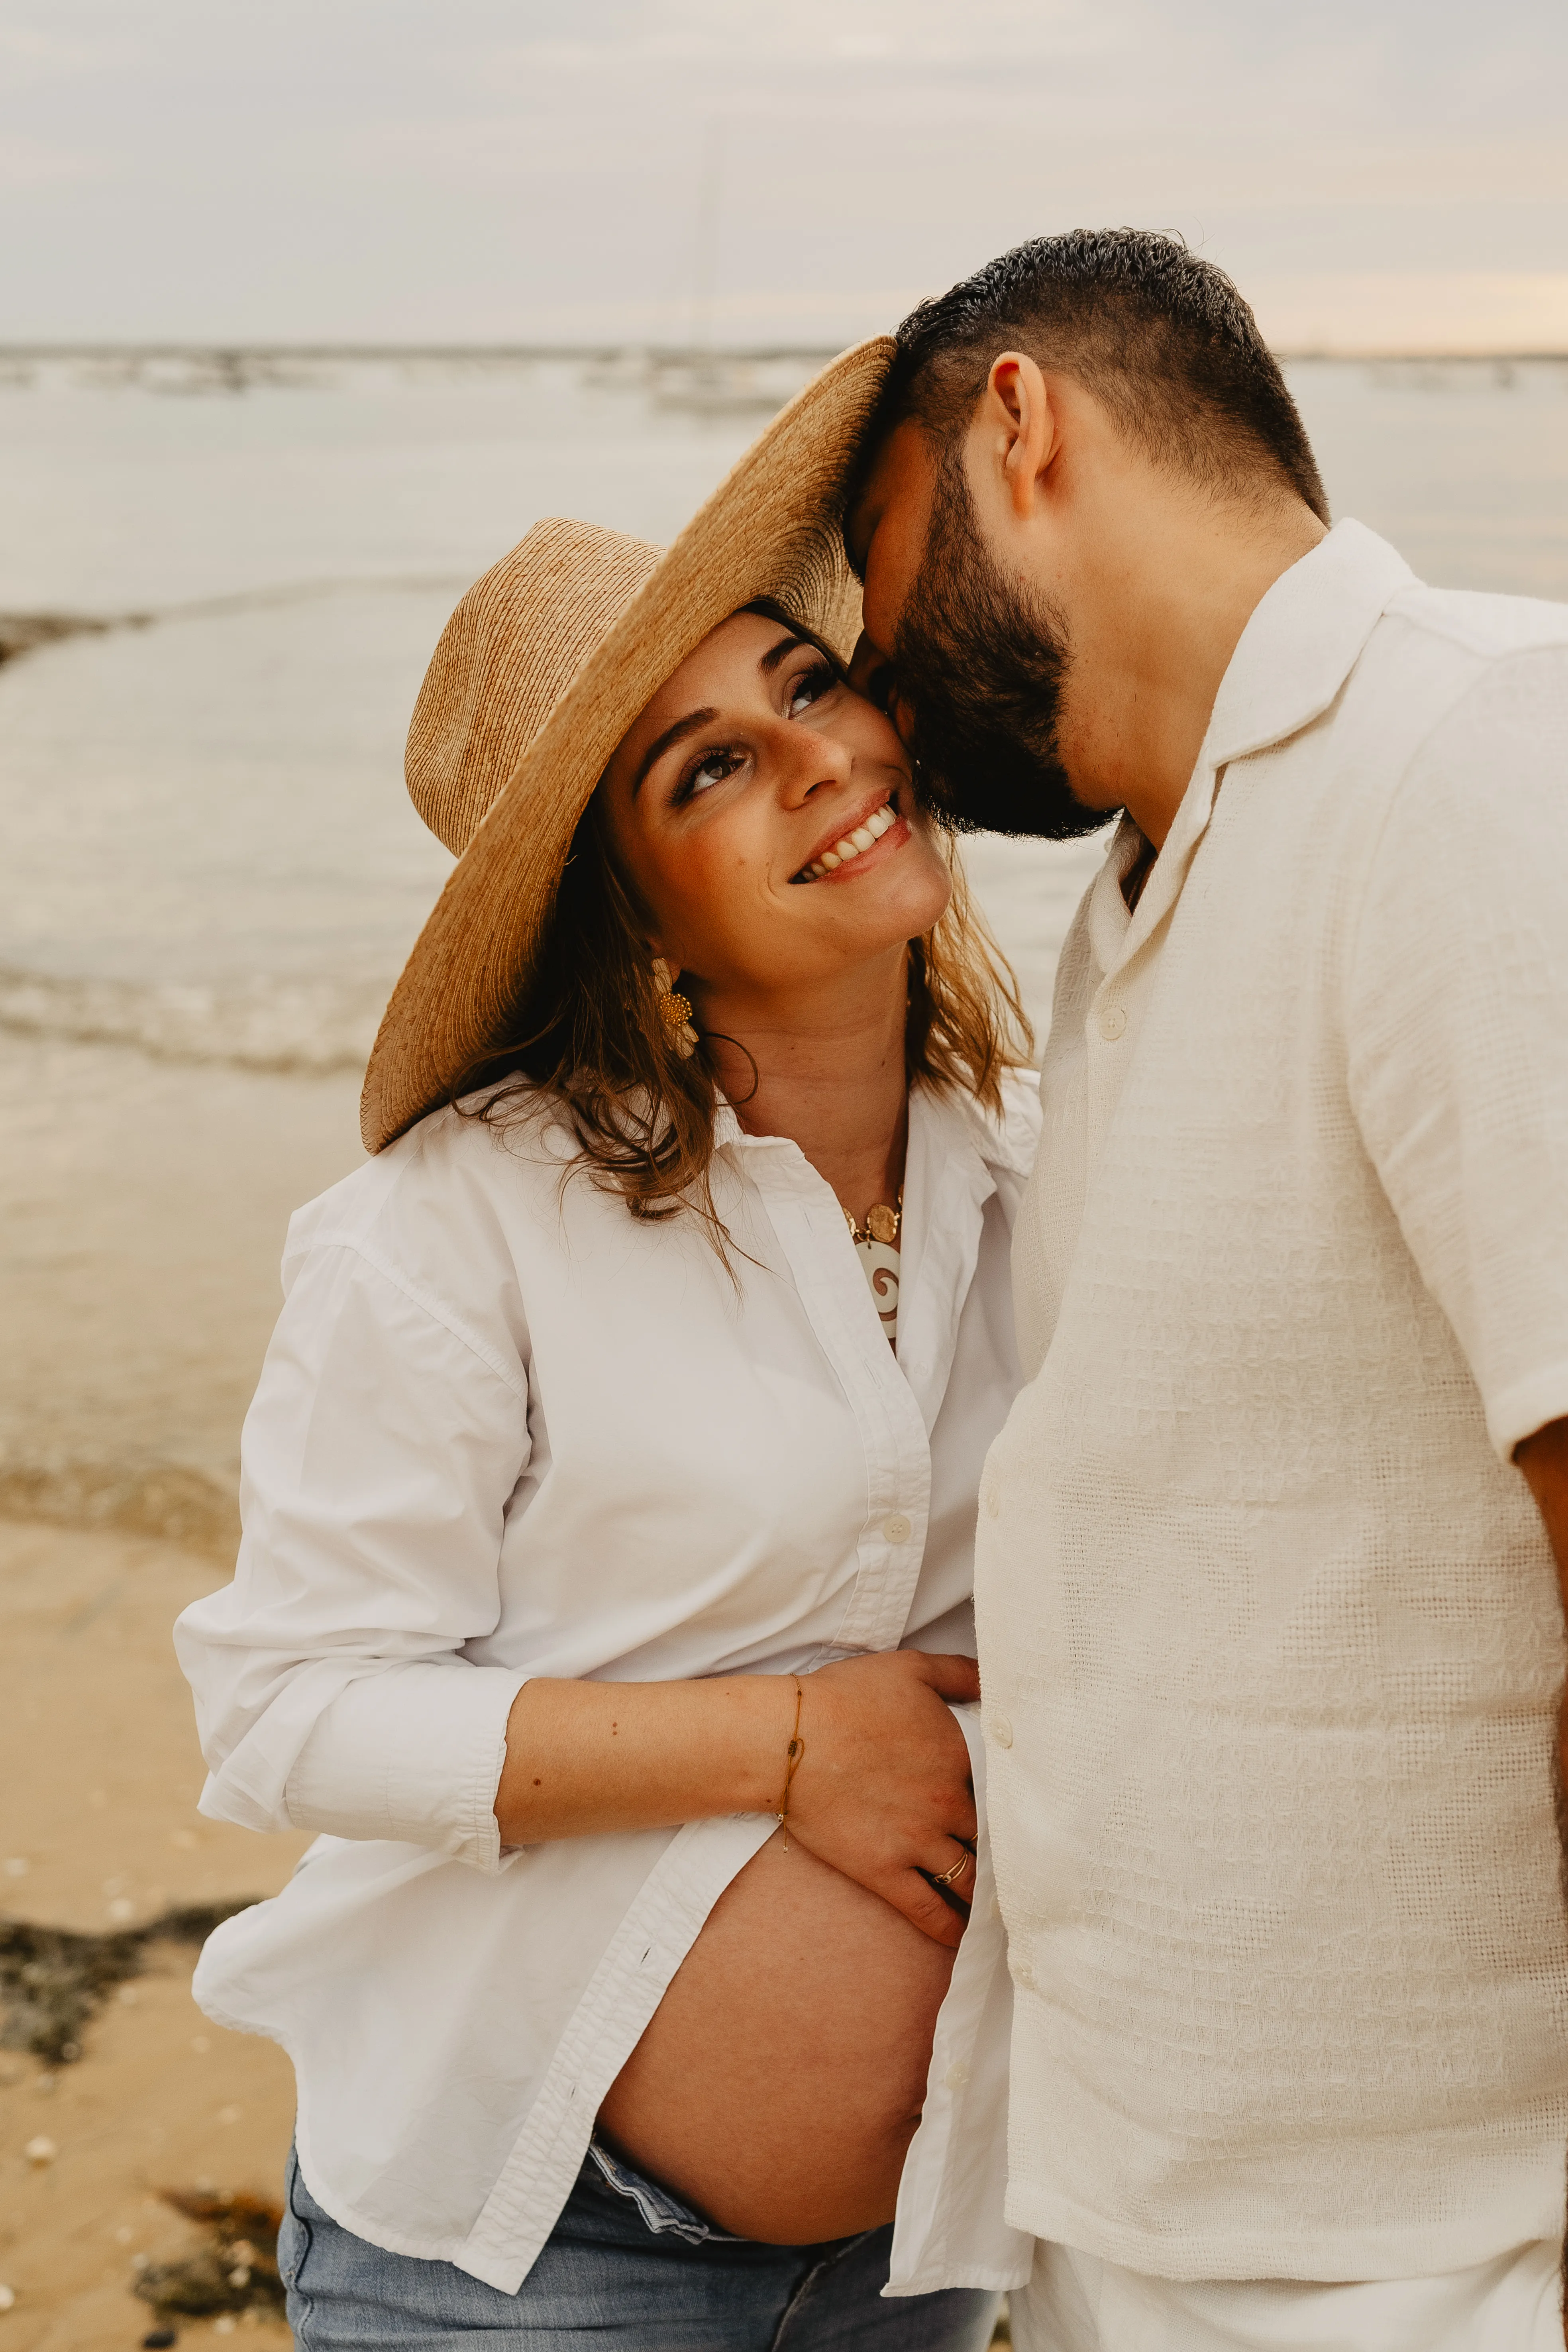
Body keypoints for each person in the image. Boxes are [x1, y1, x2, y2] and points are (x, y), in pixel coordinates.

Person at [175, 348, 1041, 2352]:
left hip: (930, 2248)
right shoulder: (458, 1226)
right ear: (633, 912)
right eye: (707, 766)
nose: (814, 753)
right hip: (537, 2255)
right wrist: (790, 1739)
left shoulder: (1039, 1165)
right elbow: (288, 1713)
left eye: (805, 683)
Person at [846, 228, 1568, 2351]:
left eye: (875, 571)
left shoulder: (1467, 762)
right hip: (1153, 2194)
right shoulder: (1162, 870)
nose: (873, 680)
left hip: (1427, 2239)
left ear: (1013, 425)